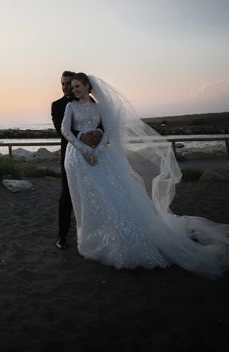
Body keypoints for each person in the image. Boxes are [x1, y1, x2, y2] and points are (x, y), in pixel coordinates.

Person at [61, 73, 229, 278]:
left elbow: (108, 132)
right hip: (78, 158)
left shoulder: (98, 108)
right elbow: (65, 131)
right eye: (73, 87)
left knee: (112, 196)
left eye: (78, 86)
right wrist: (85, 150)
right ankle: (94, 237)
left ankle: (122, 237)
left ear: (88, 86)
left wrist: (96, 151)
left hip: (100, 156)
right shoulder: (70, 107)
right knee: (89, 199)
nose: (74, 89)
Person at [51, 71, 76, 249]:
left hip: (92, 155)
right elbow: (62, 131)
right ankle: (62, 235)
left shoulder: (90, 102)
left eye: (68, 83)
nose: (65, 87)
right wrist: (85, 139)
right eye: (62, 84)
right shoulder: (57, 105)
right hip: (69, 154)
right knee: (66, 195)